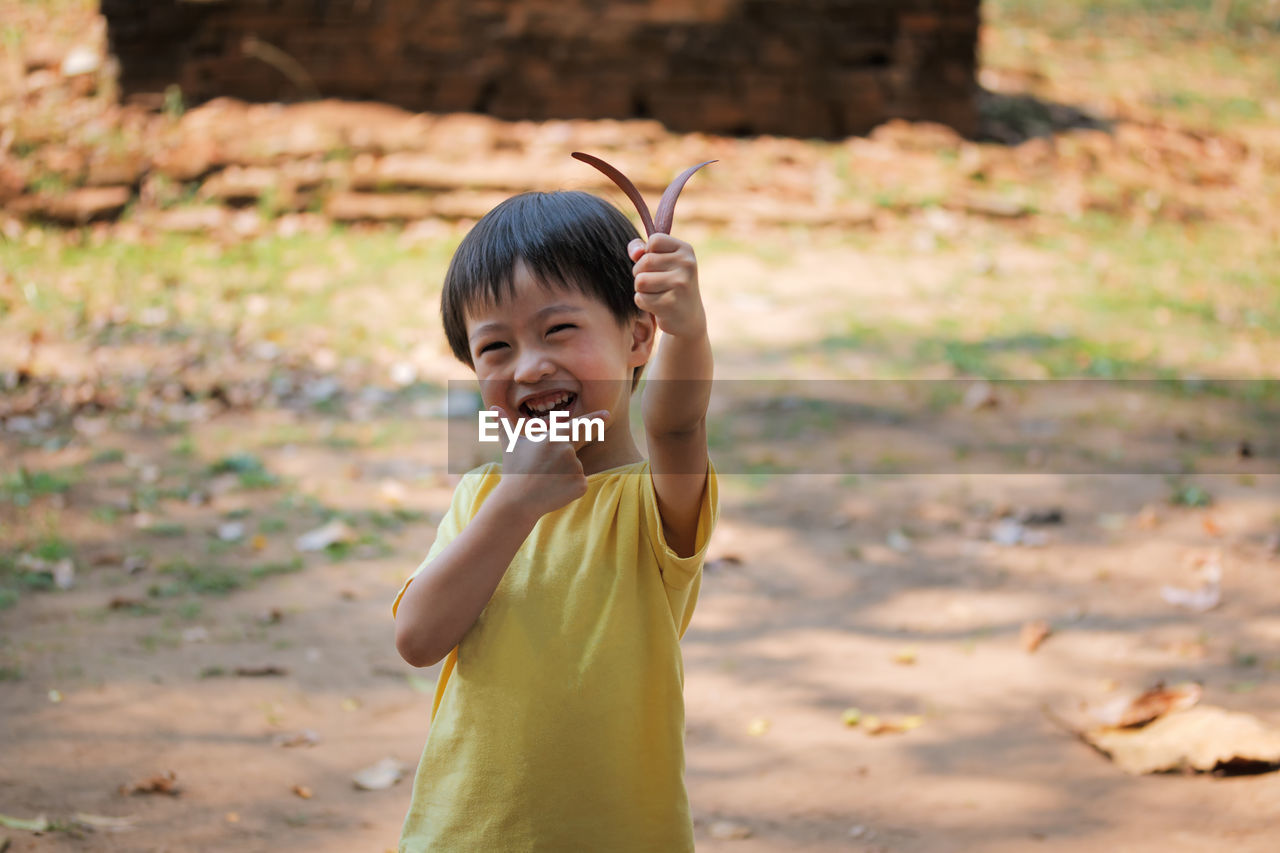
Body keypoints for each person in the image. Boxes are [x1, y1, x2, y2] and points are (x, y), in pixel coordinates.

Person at [392, 189, 717, 851]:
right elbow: (418, 635)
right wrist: (515, 502)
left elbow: (678, 423)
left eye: (558, 329)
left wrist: (690, 328)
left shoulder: (653, 503)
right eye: (495, 348)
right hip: (467, 835)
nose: (530, 365)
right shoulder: (484, 496)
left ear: (637, 334)